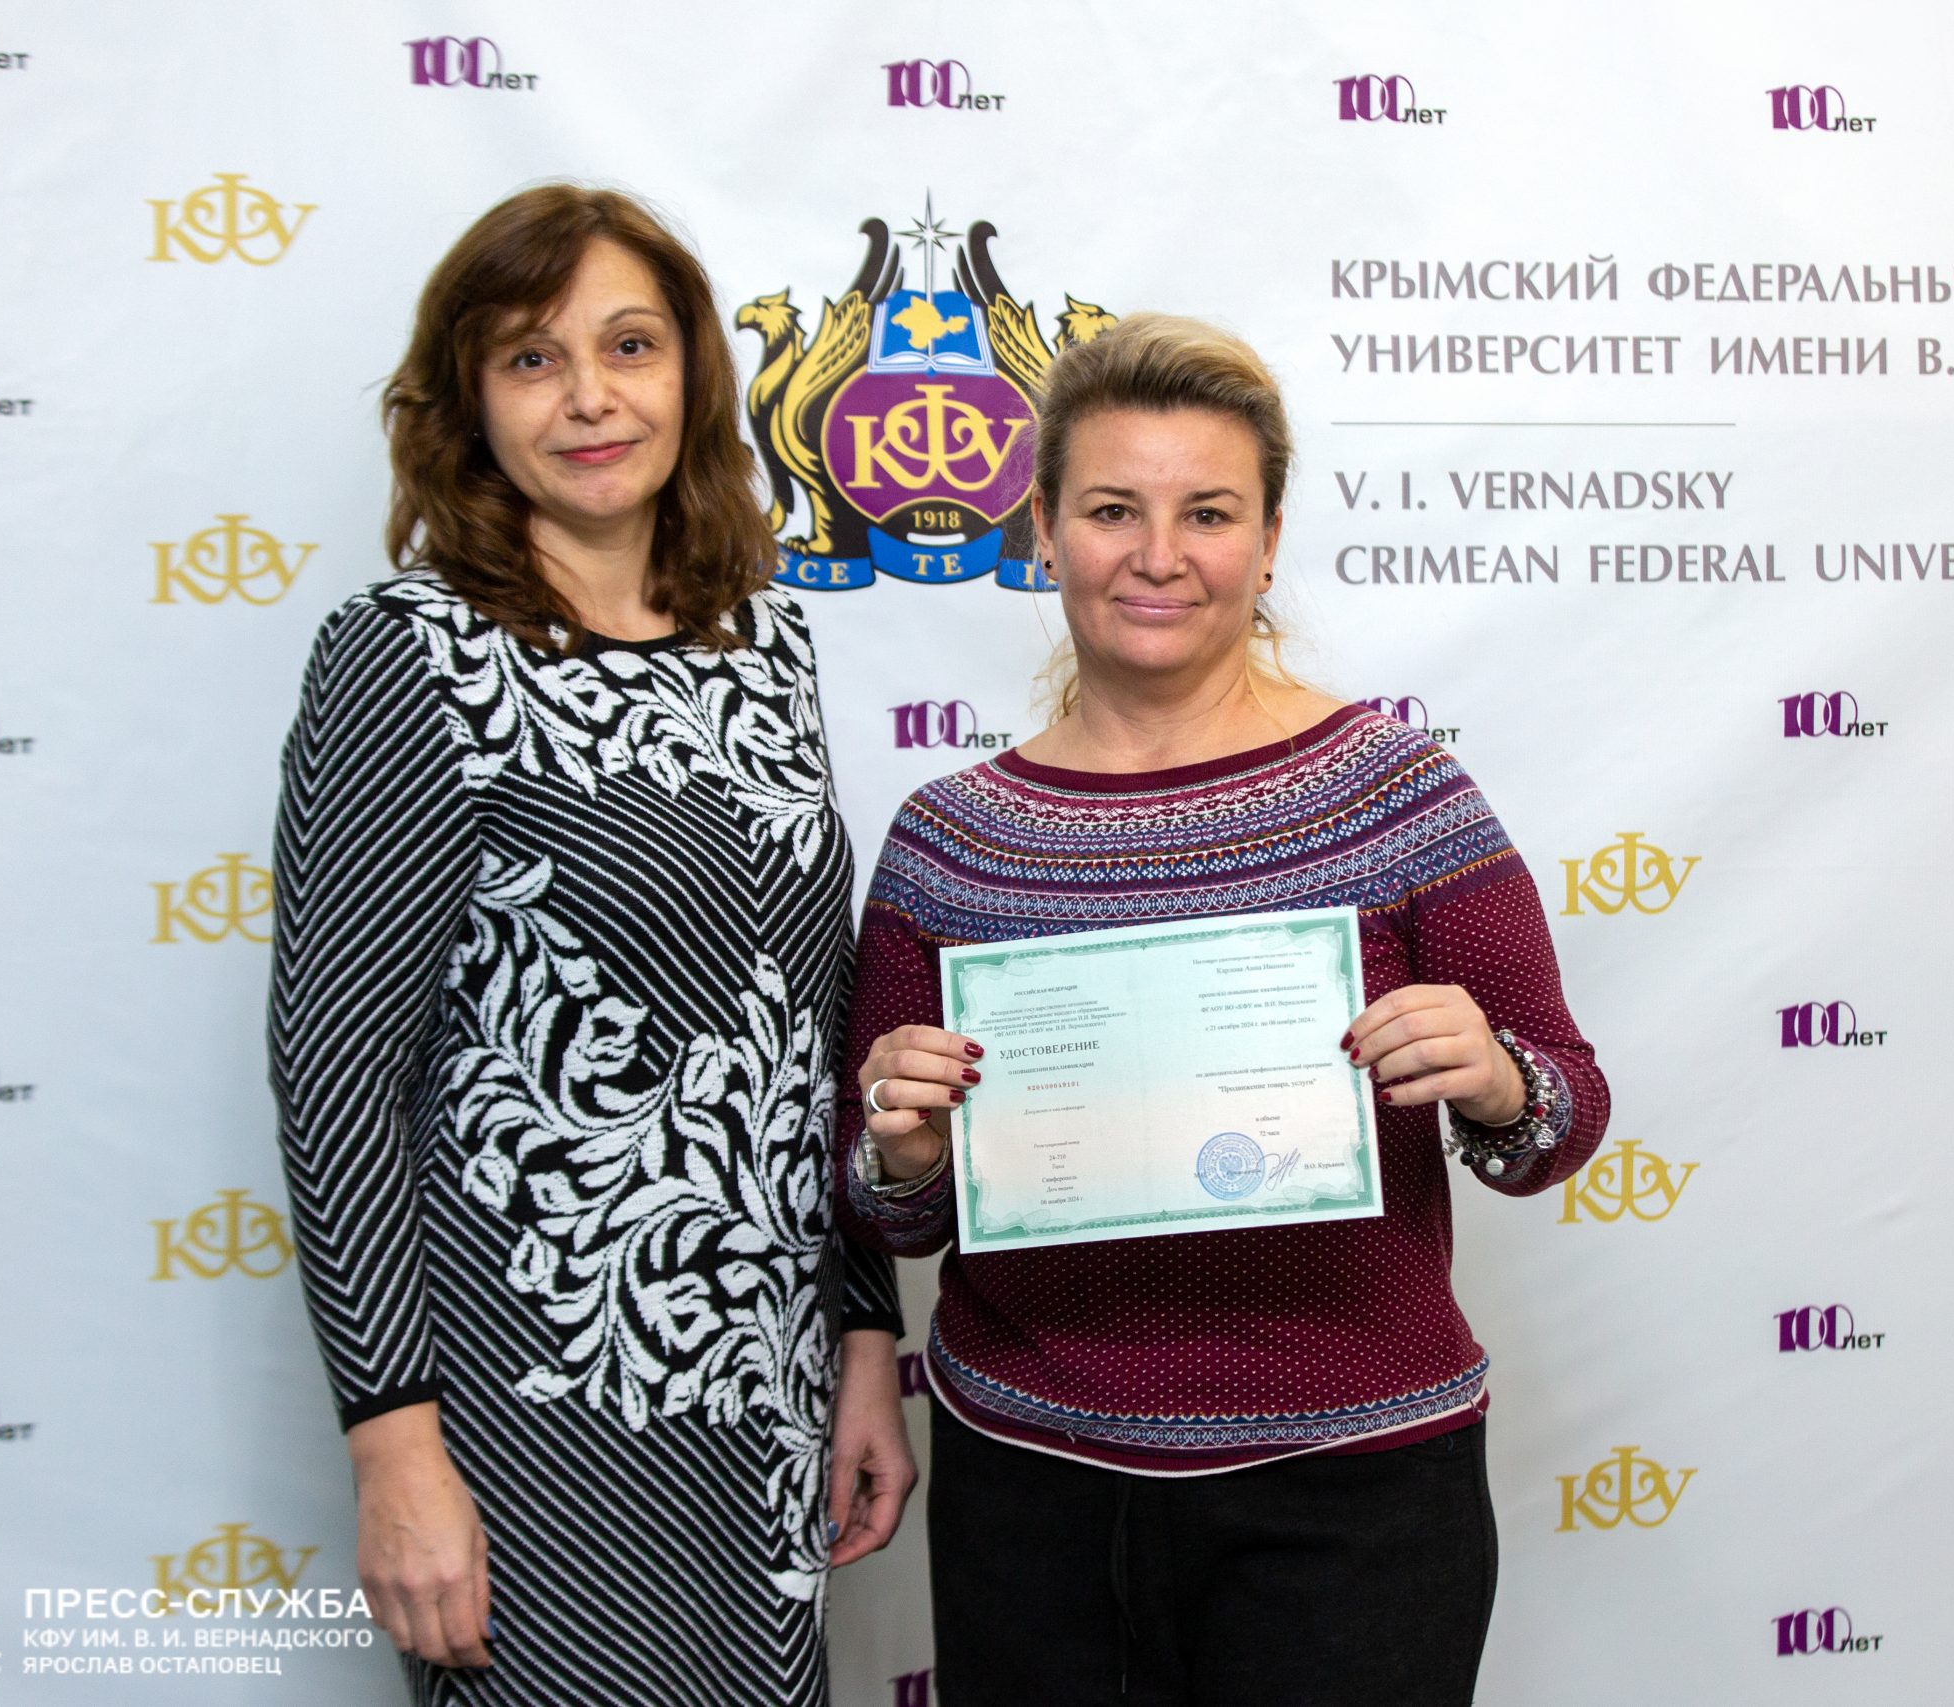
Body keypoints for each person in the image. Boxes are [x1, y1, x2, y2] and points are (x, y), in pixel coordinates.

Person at [836, 314, 1611, 1705]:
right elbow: (892, 1214)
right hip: (1033, 1490)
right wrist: (901, 1150)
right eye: (1111, 510)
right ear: (1043, 531)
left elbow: (1560, 1122)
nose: (1159, 555)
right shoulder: (952, 840)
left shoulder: (1398, 795)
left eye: (1208, 512)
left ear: (1265, 542)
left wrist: (1497, 1078)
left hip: (1354, 1493)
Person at [267, 185, 913, 1707]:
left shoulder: (765, 642)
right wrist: (393, 1451)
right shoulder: (410, 652)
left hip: (764, 1394)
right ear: (469, 402)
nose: (590, 399)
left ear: (691, 372)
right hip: (533, 1402)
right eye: (531, 359)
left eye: (629, 346)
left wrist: (864, 1342)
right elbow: (339, 1076)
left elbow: (815, 1035)